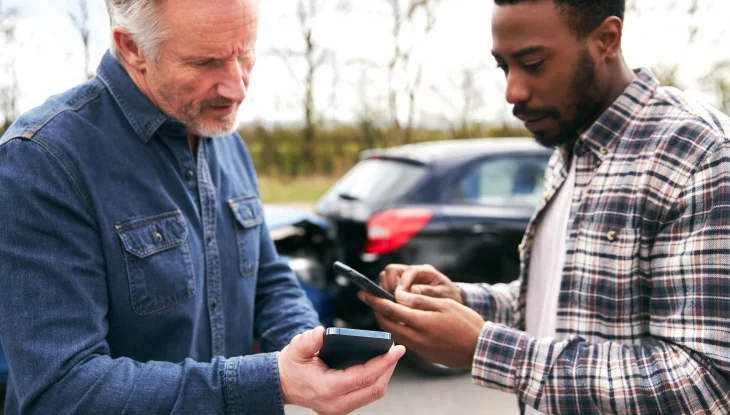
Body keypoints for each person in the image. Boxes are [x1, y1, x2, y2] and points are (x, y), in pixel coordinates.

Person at [0, 0, 404, 413]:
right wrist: (271, 380)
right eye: (206, 62)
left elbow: (266, 278)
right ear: (133, 46)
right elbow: (61, 390)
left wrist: (310, 349)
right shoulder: (43, 159)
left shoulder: (225, 139)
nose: (238, 87)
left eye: (245, 52)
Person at [359, 0, 730, 414]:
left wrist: (487, 349)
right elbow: (564, 299)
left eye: (533, 63)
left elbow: (705, 381)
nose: (512, 91)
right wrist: (461, 301)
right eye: (503, 67)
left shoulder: (702, 154)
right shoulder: (568, 141)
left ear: (606, 39)